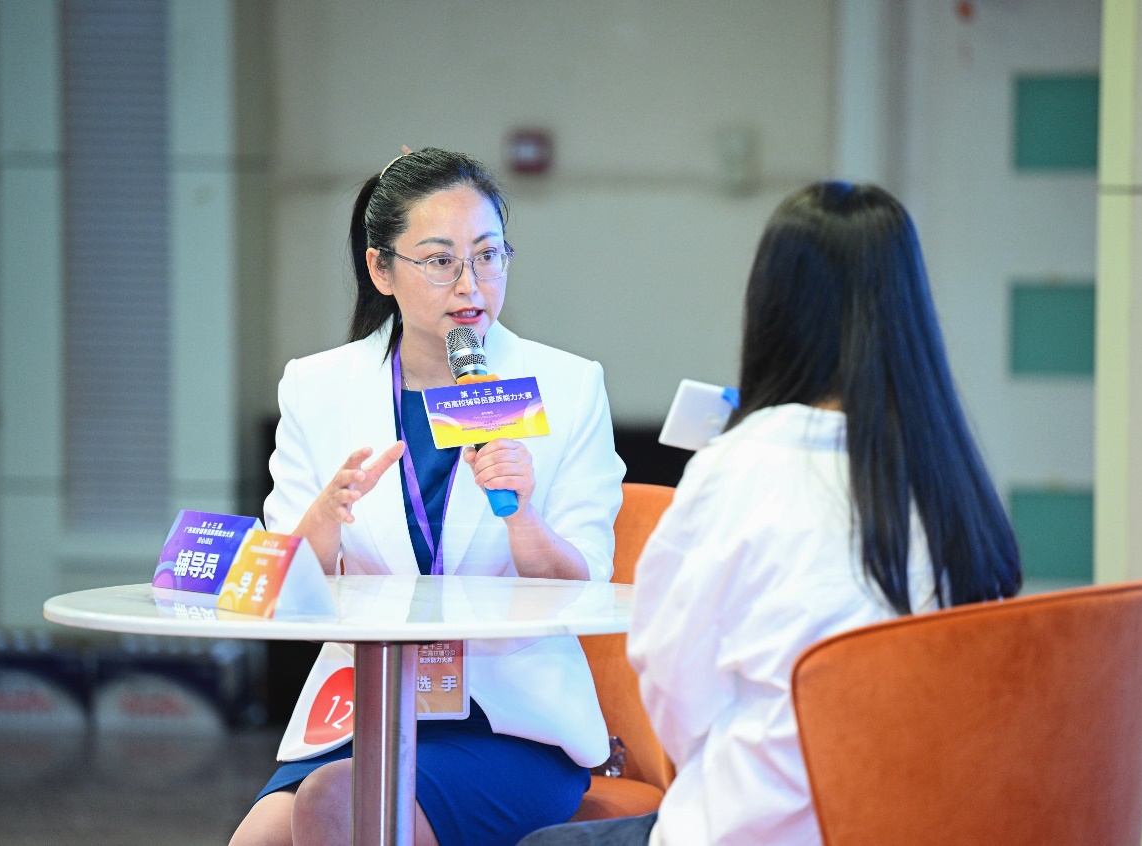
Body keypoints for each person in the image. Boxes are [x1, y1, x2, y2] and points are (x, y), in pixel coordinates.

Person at [518, 181, 1021, 846]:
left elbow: (673, 689)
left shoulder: (739, 465)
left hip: (757, 826)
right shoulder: (950, 477)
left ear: (776, 309)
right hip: (915, 820)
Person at [230, 147, 625, 846]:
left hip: (511, 716)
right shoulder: (317, 388)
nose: (470, 284)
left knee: (336, 805)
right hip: (366, 704)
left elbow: (584, 587)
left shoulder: (567, 386)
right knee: (260, 838)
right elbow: (286, 591)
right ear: (381, 269)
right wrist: (324, 518)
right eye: (440, 261)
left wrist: (522, 517)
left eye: (488, 256)